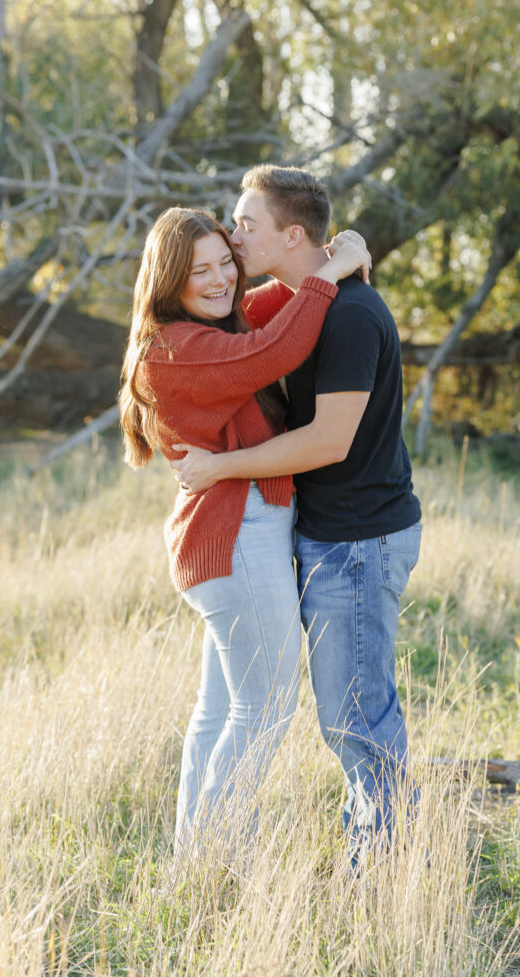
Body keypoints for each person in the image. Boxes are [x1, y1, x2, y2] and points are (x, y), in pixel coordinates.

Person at [173, 165, 423, 866]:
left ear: (290, 234)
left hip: (359, 539)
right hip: (330, 532)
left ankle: (385, 869)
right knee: (345, 712)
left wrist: (216, 466)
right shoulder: (308, 298)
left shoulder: (347, 314)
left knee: (354, 717)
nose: (233, 233)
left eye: (246, 223)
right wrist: (345, 248)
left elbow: (326, 441)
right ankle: (372, 853)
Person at [118, 206, 369, 861]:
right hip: (236, 536)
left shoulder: (197, 332)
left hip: (227, 538)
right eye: (197, 270)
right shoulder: (181, 350)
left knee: (220, 711)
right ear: (167, 280)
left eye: (224, 262)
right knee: (264, 710)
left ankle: (193, 860)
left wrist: (323, 256)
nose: (218, 279)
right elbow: (277, 347)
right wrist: (333, 271)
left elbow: (272, 306)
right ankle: (221, 863)